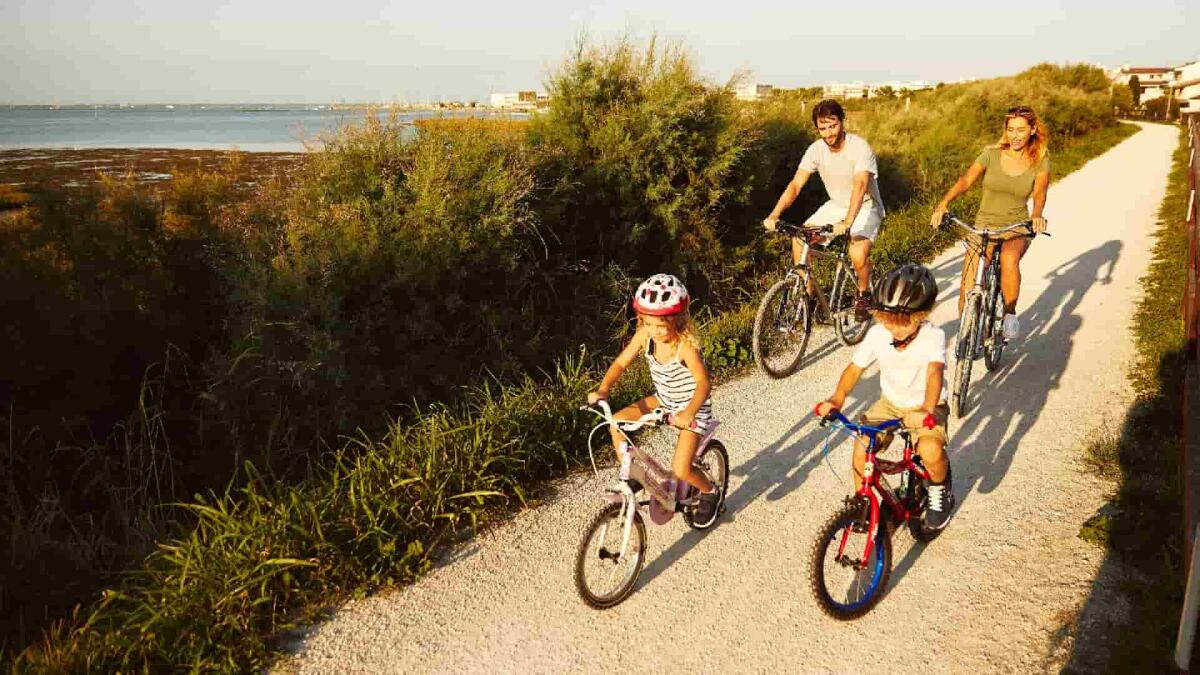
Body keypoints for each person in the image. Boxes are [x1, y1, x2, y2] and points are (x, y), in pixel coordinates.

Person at [813, 264, 954, 529]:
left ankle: (938, 488)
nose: (895, 329)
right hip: (889, 404)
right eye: (887, 321)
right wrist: (837, 399)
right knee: (861, 444)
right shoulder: (878, 334)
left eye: (904, 323)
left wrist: (927, 408)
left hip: (926, 406)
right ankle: (862, 503)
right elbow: (855, 369)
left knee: (930, 450)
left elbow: (935, 372)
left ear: (922, 315)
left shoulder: (933, 336)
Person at [587, 274, 722, 524]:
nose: (655, 331)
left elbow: (704, 384)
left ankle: (710, 491)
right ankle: (632, 476)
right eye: (648, 324)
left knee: (681, 468)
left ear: (679, 320)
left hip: (692, 408)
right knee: (616, 422)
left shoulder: (685, 347)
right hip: (663, 400)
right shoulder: (644, 337)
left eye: (661, 326)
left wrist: (689, 413)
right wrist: (604, 389)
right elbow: (620, 363)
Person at [930, 105, 1051, 340]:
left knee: (1008, 258)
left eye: (1021, 130)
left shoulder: (1040, 160)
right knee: (968, 284)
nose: (1015, 136)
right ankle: (966, 334)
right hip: (983, 225)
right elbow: (966, 180)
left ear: (1033, 130)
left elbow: (1040, 193)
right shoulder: (991, 154)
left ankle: (1009, 314)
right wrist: (943, 203)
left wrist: (1036, 214)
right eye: (1010, 130)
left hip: (1016, 226)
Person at [763, 99, 886, 321]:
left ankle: (864, 293)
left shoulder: (859, 148)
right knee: (800, 239)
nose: (828, 133)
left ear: (842, 122)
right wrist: (775, 214)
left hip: (866, 206)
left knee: (857, 253)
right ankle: (806, 296)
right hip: (836, 206)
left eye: (833, 125)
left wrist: (848, 222)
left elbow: (860, 185)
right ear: (817, 128)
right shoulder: (815, 150)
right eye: (823, 128)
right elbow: (795, 185)